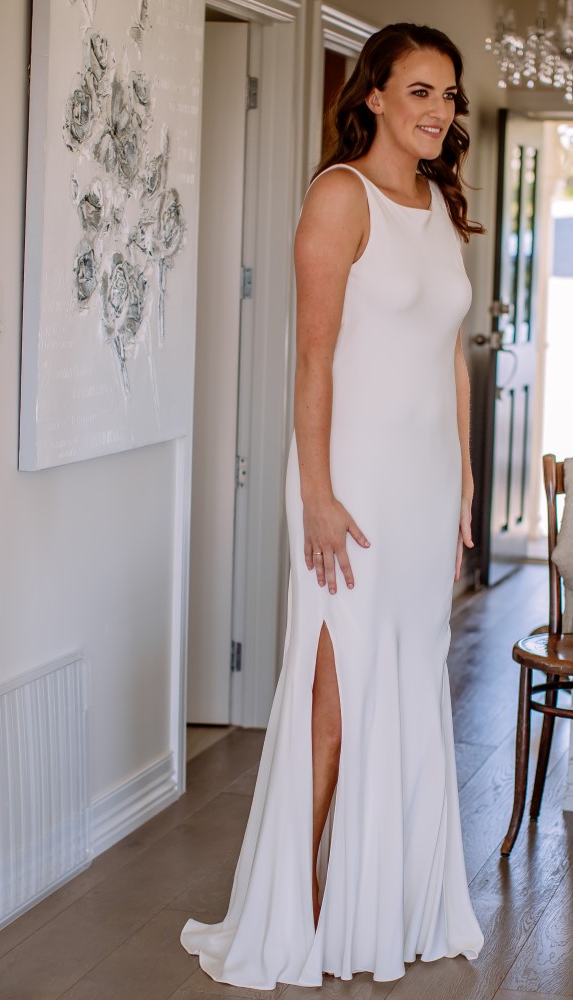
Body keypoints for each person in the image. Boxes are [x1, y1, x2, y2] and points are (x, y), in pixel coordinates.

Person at [179, 23, 486, 988]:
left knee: (411, 684)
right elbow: (312, 360)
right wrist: (314, 492)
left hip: (425, 485)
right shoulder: (338, 196)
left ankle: (386, 906)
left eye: (448, 95)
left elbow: (447, 357)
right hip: (347, 482)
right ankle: (296, 909)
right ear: (375, 97)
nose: (438, 110)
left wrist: (466, 478)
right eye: (421, 91)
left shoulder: (440, 203)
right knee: (335, 702)